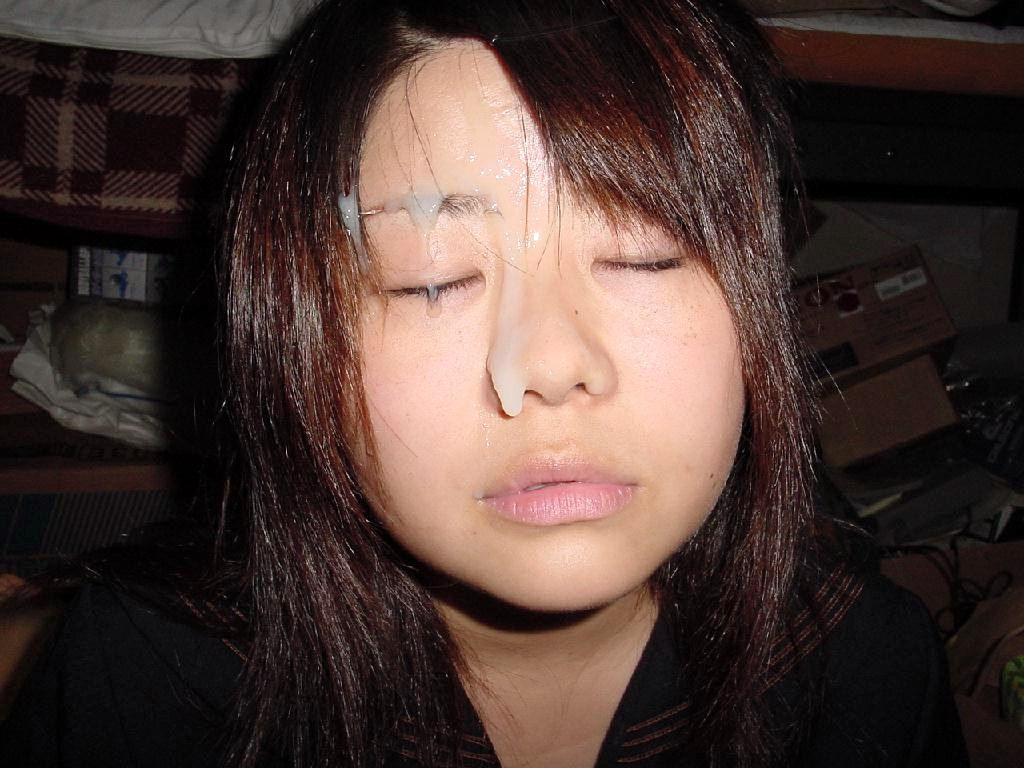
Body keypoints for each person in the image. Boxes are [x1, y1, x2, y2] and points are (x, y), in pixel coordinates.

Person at [0, 1, 968, 766]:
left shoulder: (868, 670)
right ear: (294, 337)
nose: (547, 367)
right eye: (431, 280)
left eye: (643, 255)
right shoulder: (146, 676)